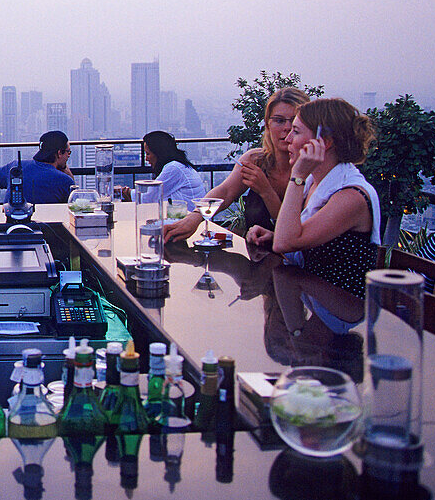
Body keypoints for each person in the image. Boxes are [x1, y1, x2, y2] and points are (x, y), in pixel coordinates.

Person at [247, 98, 380, 335]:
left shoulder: (350, 196)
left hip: (341, 319)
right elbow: (290, 237)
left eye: (296, 132)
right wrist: (274, 235)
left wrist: (297, 174)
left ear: (324, 142)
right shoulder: (316, 182)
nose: (287, 138)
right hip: (314, 298)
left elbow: (285, 243)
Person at [165, 87, 310, 241]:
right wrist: (194, 217)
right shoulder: (256, 160)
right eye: (279, 121)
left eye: (293, 122)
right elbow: (226, 191)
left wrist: (266, 191)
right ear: (267, 124)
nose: (287, 128)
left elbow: (295, 232)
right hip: (256, 257)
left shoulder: (312, 168)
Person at [0, 130, 75, 205]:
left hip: (10, 225)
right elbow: (73, 206)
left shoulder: (16, 166)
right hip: (47, 229)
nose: (69, 156)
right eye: (68, 152)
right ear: (59, 153)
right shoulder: (65, 180)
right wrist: (67, 173)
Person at [119, 131, 206, 208]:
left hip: (187, 218)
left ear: (159, 152)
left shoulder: (174, 168)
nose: (146, 159)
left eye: (148, 154)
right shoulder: (178, 166)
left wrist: (125, 191)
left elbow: (149, 197)